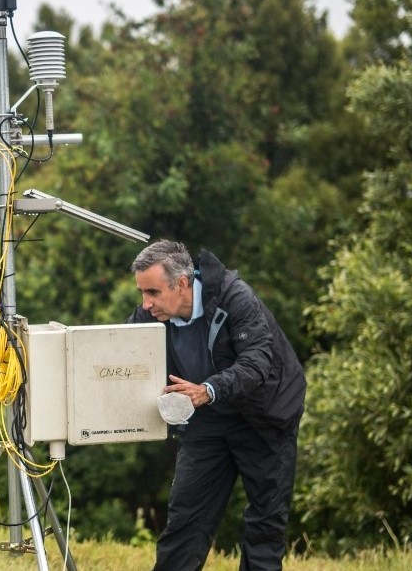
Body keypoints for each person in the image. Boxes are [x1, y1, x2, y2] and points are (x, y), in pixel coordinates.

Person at [128, 240, 306, 571]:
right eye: (141, 293)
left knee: (265, 524)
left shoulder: (235, 297)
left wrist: (208, 390)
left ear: (181, 284)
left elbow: (256, 362)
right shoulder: (150, 314)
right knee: (185, 518)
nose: (145, 303)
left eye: (152, 292)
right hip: (206, 419)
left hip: (264, 416)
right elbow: (122, 354)